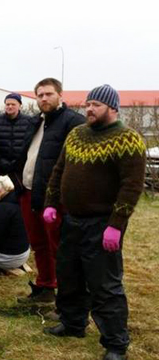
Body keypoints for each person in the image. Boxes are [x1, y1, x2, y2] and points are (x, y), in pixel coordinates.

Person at [42, 85, 146, 360]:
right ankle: (73, 323)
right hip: (71, 221)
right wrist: (51, 203)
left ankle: (115, 343)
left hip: (102, 225)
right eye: (88, 104)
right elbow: (59, 170)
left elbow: (131, 185)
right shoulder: (76, 135)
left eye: (96, 104)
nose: (89, 109)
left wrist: (117, 223)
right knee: (69, 276)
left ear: (113, 108)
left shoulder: (128, 139)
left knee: (105, 285)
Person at [15, 78, 85, 304]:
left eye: (49, 94)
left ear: (60, 95)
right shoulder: (36, 122)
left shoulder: (73, 123)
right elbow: (27, 155)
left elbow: (77, 165)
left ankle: (68, 301)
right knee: (38, 244)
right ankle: (45, 287)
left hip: (55, 199)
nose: (44, 98)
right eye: (40, 95)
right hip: (29, 193)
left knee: (60, 249)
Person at [0, 93, 34, 179]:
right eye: (8, 104)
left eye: (13, 104)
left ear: (20, 106)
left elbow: (31, 144)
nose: (10, 106)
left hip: (21, 167)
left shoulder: (29, 122)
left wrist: (20, 161)